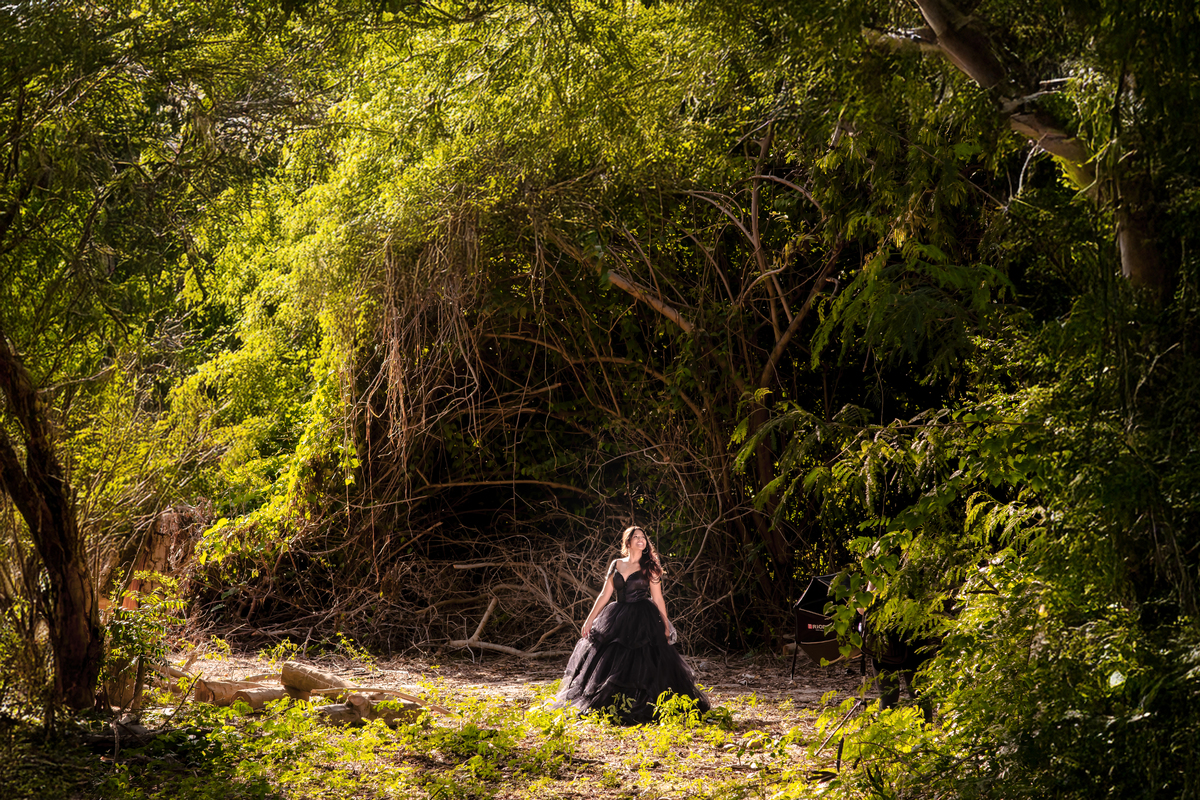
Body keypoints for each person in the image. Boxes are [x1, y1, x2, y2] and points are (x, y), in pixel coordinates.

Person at [554, 525, 709, 724]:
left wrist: (666, 624)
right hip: (617, 615)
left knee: (644, 659)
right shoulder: (616, 564)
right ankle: (612, 703)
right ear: (628, 542)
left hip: (643, 617)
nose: (640, 540)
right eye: (636, 537)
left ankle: (646, 703)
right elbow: (604, 594)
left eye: (643, 537)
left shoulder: (650, 566)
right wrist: (590, 619)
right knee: (611, 660)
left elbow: (658, 598)